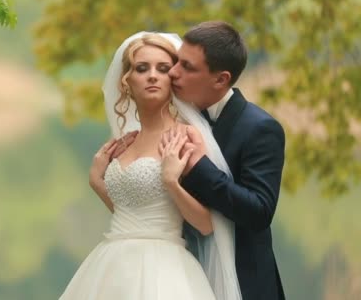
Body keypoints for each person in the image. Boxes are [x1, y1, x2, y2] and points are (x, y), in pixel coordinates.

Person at [59, 32, 241, 300]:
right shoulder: (124, 142)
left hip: (164, 269)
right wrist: (98, 183)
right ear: (127, 82)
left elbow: (206, 225)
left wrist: (171, 183)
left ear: (173, 79)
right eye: (142, 68)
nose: (153, 76)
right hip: (111, 265)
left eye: (163, 69)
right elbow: (132, 216)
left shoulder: (185, 137)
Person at [167, 21, 286, 300]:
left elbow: (259, 212)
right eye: (176, 62)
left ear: (221, 79)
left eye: (187, 67)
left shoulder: (260, 128)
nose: (173, 72)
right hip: (182, 278)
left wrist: (199, 167)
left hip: (245, 284)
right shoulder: (173, 122)